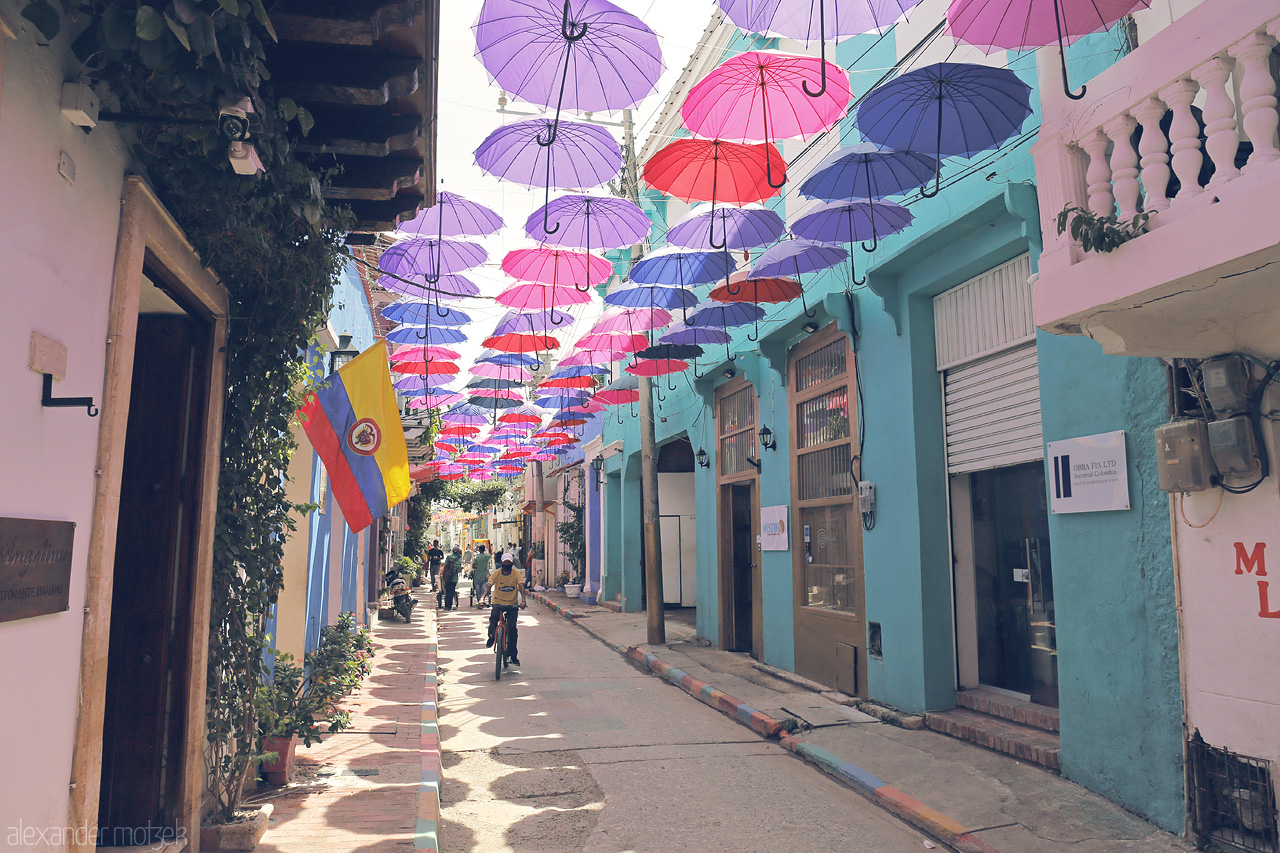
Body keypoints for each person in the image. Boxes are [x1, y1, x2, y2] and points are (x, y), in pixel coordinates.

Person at [483, 554, 528, 665]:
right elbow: (489, 586)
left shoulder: (516, 573)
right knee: (493, 619)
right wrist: (482, 598)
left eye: (509, 563)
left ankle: (513, 656)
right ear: (501, 563)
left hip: (512, 605)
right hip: (498, 603)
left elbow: (521, 586)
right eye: (505, 563)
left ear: (512, 564)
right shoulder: (496, 573)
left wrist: (523, 601)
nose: (507, 564)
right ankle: (492, 637)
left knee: (512, 628)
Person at [440, 546, 463, 610]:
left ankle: (446, 605)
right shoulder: (459, 559)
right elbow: (458, 570)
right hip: (454, 578)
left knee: (447, 591)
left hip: (446, 577)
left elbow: (445, 566)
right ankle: (449, 606)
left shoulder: (448, 557)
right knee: (451, 591)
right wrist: (461, 568)